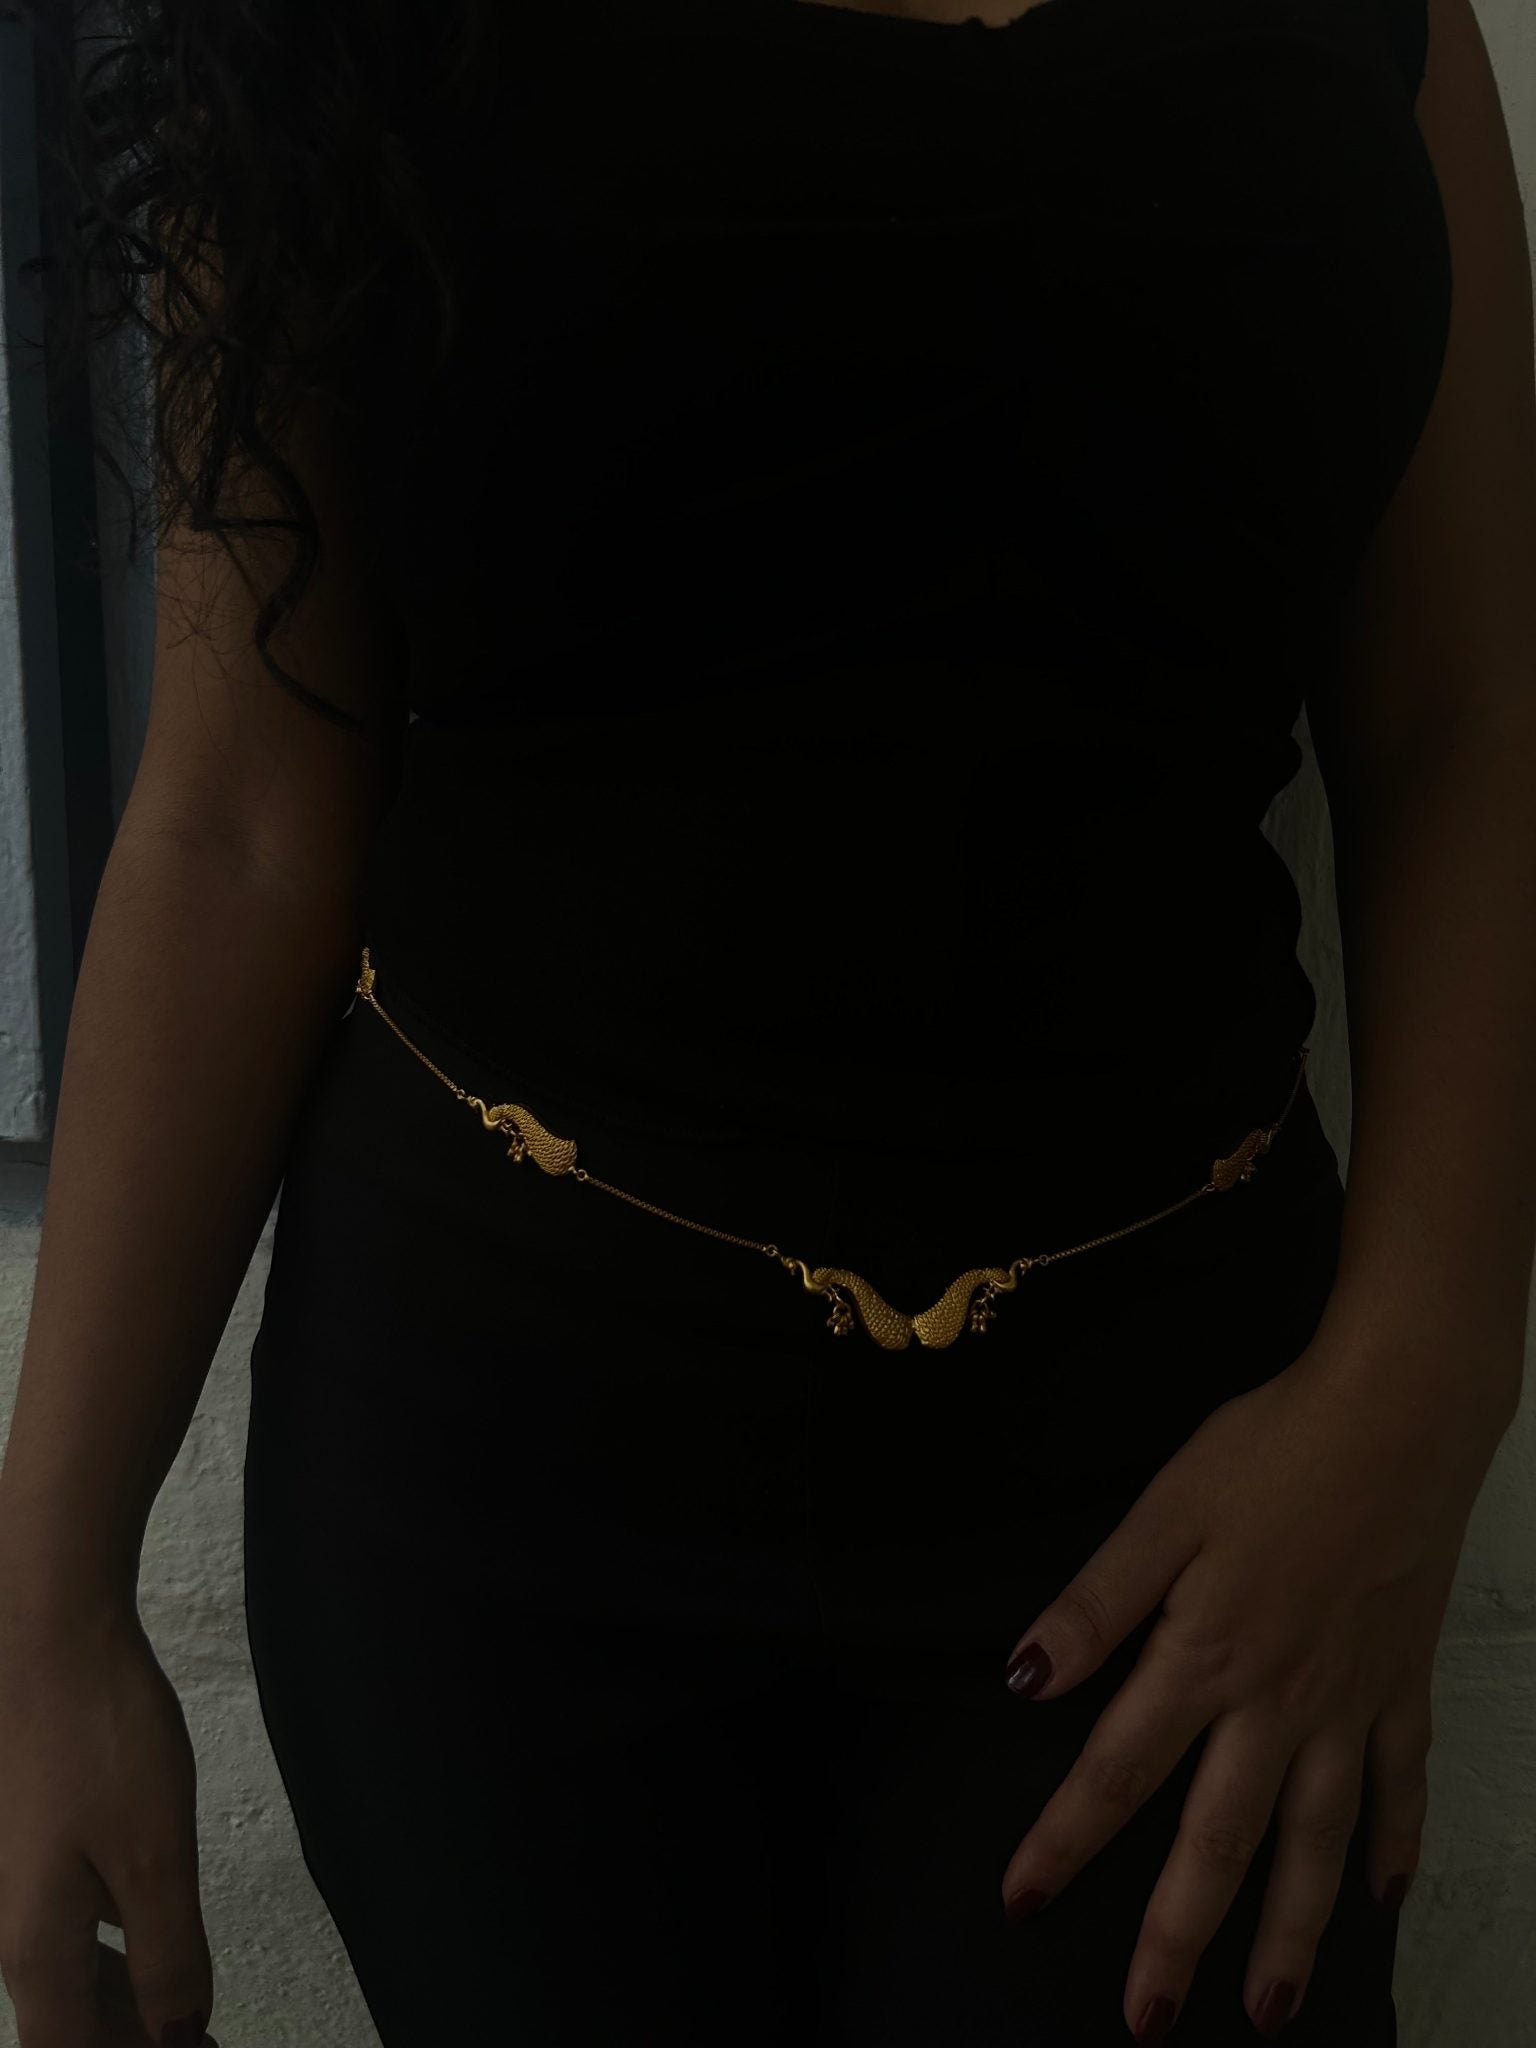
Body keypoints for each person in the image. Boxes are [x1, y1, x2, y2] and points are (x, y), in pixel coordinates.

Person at [0, 0, 1532, 2042]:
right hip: (497, 1508)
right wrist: (50, 1607)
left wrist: (1428, 1385)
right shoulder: (320, 25)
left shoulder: (1379, 30)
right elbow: (240, 820)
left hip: (1198, 1484)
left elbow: (1467, 722)